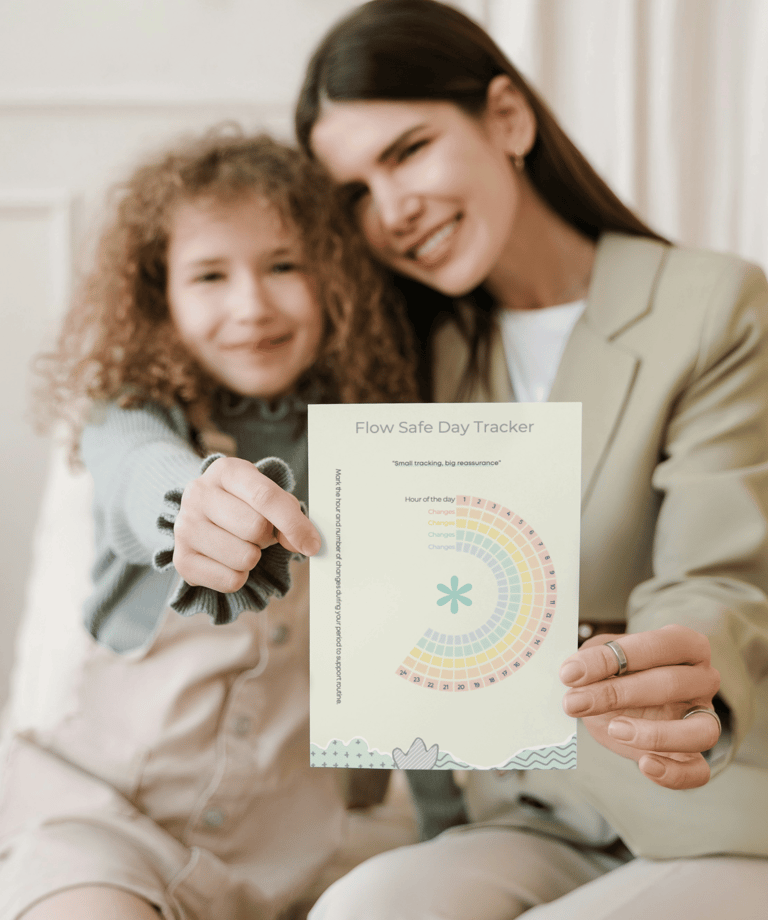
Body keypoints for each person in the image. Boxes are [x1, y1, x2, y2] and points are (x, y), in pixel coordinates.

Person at [293, 1, 768, 916]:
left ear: (507, 118)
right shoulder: (414, 355)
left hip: (709, 807)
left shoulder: (712, 306)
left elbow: (720, 578)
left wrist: (673, 682)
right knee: (360, 909)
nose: (392, 211)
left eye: (407, 151)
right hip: (535, 816)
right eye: (354, 193)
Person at [0, 129, 421, 920]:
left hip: (285, 862)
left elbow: (407, 669)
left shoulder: (374, 438)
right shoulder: (128, 414)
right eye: (209, 275)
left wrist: (444, 823)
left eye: (284, 266)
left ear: (335, 278)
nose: (251, 306)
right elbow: (139, 473)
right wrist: (188, 505)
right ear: (158, 297)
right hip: (101, 822)